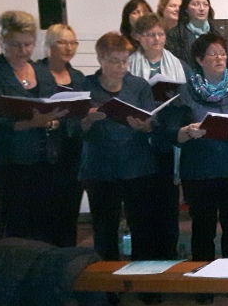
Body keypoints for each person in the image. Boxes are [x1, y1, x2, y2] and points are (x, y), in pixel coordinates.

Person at [163, 32, 228, 304]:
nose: (219, 58)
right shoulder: (185, 92)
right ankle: (204, 283)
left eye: (223, 53)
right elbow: (170, 131)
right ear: (199, 59)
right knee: (203, 228)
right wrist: (187, 131)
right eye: (213, 54)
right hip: (200, 169)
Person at [0, 11, 66, 243]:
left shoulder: (42, 73)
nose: (23, 51)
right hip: (12, 163)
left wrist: (55, 118)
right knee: (18, 229)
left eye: (28, 44)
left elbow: (53, 105)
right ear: (1, 42)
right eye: (15, 45)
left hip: (46, 161)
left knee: (47, 227)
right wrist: (32, 123)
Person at [80, 33, 166, 267]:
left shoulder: (137, 85)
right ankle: (108, 288)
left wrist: (144, 125)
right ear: (100, 58)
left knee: (142, 227)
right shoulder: (86, 86)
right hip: (100, 168)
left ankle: (143, 282)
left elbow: (151, 122)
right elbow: (73, 128)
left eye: (124, 61)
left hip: (136, 165)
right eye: (113, 61)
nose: (120, 67)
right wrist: (87, 119)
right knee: (104, 229)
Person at [128, 13, 189, 260]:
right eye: (150, 34)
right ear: (138, 38)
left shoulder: (178, 64)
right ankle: (143, 264)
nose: (156, 39)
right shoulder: (129, 65)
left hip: (166, 142)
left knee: (167, 209)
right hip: (137, 146)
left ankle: (167, 259)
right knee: (140, 210)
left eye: (160, 34)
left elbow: (186, 102)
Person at [41, 24, 88, 247]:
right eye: (62, 42)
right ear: (50, 45)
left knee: (69, 212)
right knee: (44, 214)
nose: (69, 47)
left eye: (73, 42)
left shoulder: (78, 77)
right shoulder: (37, 74)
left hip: (73, 150)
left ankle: (65, 260)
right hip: (44, 152)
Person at [165, 0, 228, 77]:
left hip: (217, 87)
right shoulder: (174, 36)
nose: (202, 8)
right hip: (187, 87)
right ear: (186, 9)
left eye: (205, 4)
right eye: (196, 4)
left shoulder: (217, 35)